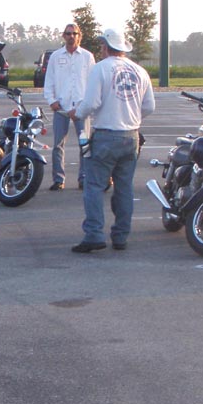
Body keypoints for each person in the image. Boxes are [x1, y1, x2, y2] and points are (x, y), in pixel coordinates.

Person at [70, 28, 155, 252]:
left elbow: (91, 103)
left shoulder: (100, 68)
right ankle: (120, 235)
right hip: (131, 135)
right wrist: (131, 116)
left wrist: (78, 113)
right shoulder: (140, 71)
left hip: (106, 134)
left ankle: (94, 234)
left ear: (106, 47)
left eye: (102, 45)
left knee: (94, 186)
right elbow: (149, 106)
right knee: (124, 188)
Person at [43, 22, 96, 190]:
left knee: (84, 144)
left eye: (74, 33)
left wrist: (84, 105)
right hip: (61, 108)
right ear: (63, 36)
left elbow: (93, 83)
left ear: (79, 36)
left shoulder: (87, 57)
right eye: (68, 33)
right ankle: (58, 179)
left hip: (81, 109)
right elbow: (49, 81)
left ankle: (84, 178)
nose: (71, 36)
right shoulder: (56, 56)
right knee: (58, 145)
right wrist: (51, 100)